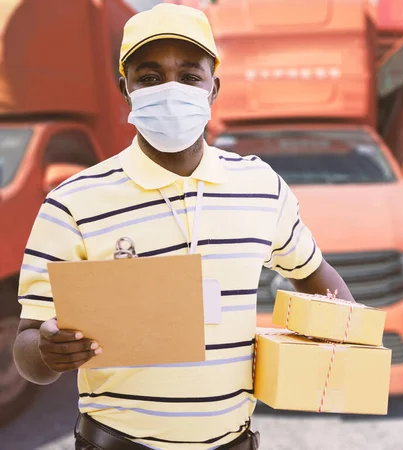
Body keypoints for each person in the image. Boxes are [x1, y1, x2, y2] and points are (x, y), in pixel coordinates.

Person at [12, 4, 355, 450]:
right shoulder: (73, 203)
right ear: (126, 89)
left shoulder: (260, 186)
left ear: (214, 87)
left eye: (189, 76)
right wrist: (47, 351)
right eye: (150, 77)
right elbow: (27, 347)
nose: (171, 90)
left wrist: (348, 340)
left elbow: (313, 273)